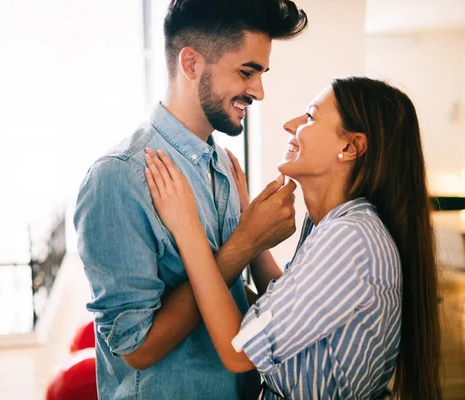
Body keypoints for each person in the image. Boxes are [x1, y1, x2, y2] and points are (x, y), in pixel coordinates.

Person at [143, 76, 441, 399]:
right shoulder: (331, 227)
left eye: (310, 117)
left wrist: (187, 227)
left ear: (350, 147)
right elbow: (290, 312)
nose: (289, 125)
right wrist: (250, 224)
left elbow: (238, 350)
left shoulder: (350, 241)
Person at [73, 0, 307, 398]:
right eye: (246, 72)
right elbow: (138, 348)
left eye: (261, 74)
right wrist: (247, 241)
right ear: (192, 64)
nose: (259, 92)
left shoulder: (224, 164)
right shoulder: (120, 176)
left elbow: (232, 300)